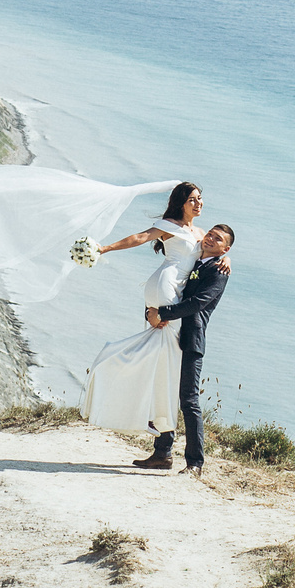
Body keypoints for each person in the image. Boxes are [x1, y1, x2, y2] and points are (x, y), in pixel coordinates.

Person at [78, 182, 227, 436]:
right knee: (167, 350)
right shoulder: (169, 225)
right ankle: (150, 413)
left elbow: (212, 253)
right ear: (181, 203)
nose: (198, 203)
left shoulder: (201, 233)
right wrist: (105, 248)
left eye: (200, 198)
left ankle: (148, 411)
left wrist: (227, 258)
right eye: (192, 199)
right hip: (166, 285)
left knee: (161, 349)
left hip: (173, 288)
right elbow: (139, 237)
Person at [133, 222, 232, 474]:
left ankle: (195, 463)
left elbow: (198, 303)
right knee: (163, 391)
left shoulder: (219, 271)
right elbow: (172, 290)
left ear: (225, 249)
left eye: (218, 239)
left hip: (190, 340)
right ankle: (162, 454)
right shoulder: (194, 262)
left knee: (188, 400)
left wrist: (162, 312)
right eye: (210, 234)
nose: (210, 239)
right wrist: (151, 312)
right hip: (170, 333)